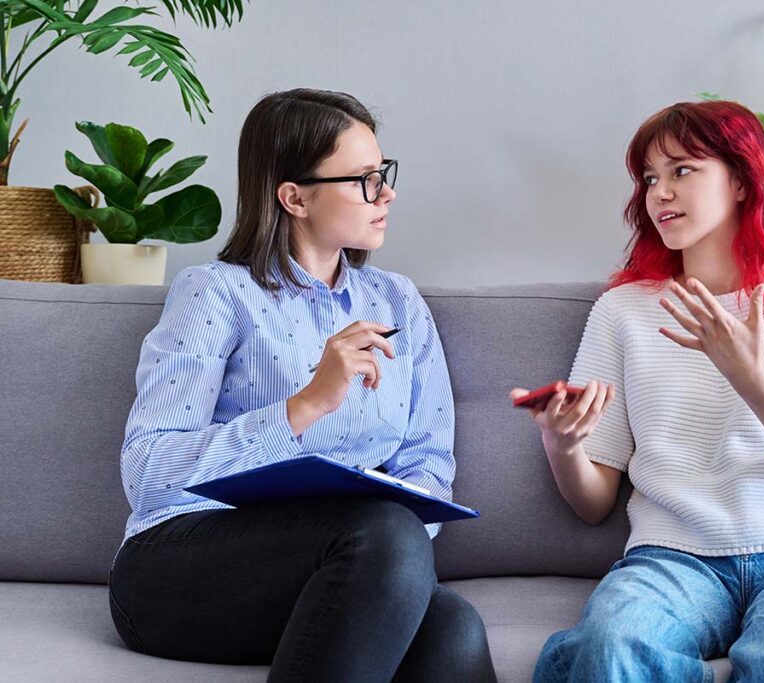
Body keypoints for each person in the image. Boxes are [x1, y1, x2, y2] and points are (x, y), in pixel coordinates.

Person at [109, 88, 496, 683]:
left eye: (384, 173)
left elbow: (427, 460)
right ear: (294, 197)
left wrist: (395, 529)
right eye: (365, 179)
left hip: (355, 566)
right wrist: (306, 405)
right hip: (180, 565)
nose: (386, 192)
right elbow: (148, 473)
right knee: (386, 532)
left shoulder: (399, 304)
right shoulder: (216, 293)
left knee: (453, 626)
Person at [512, 100, 764, 682]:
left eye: (681, 171)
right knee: (609, 650)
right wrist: (562, 444)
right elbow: (593, 505)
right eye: (649, 178)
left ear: (743, 181)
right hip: (675, 558)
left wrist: (749, 378)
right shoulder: (623, 311)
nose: (659, 193)